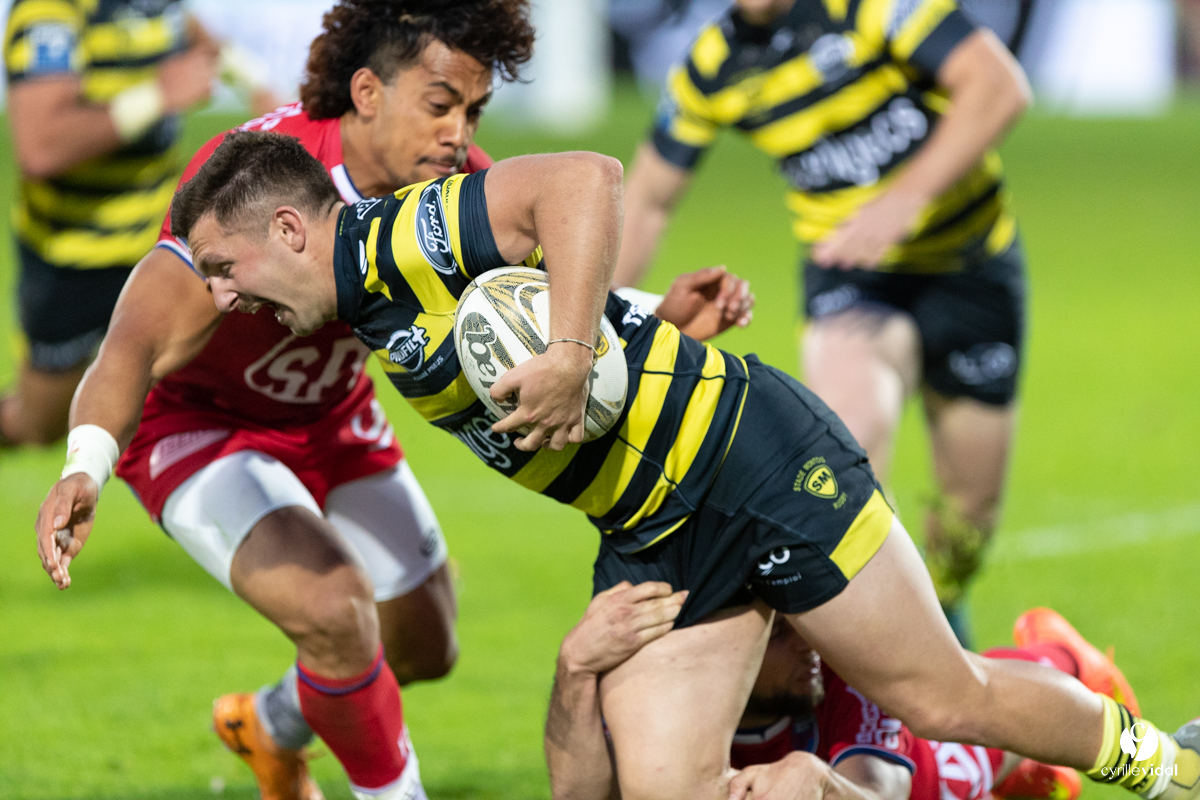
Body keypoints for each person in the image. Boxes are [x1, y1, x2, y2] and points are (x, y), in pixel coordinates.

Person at [144, 129, 1200, 800]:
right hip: (654, 530)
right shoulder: (373, 302)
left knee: (943, 696)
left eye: (228, 268)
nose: (224, 296)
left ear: (291, 229)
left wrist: (568, 354)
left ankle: (1172, 765)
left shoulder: (397, 239)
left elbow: (585, 180)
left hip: (755, 461)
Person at [30, 5, 752, 799]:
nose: (458, 134)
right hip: (199, 424)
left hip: (332, 412)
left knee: (425, 644)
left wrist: (655, 312)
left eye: (474, 111)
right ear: (367, 93)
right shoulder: (262, 180)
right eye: (440, 105)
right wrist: (85, 465)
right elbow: (134, 343)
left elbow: (533, 302)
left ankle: (268, 724)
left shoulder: (453, 183)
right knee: (337, 612)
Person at [613, 0, 1035, 644]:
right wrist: (598, 324)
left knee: (969, 513)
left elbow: (998, 86)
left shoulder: (871, 9)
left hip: (970, 270)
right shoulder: (712, 67)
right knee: (846, 462)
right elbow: (648, 197)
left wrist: (903, 200)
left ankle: (944, 609)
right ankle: (881, 667)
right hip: (851, 278)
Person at [545, 584, 1148, 800]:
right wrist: (574, 666)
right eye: (782, 634)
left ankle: (1070, 664)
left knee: (956, 766)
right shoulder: (653, 696)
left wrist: (822, 782)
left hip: (902, 771)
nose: (808, 641)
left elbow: (881, 791)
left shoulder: (838, 666)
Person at [0, 0, 281, 449]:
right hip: (75, 259)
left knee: (215, 384)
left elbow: (193, 32)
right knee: (42, 425)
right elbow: (41, 147)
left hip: (162, 244)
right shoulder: (48, 14)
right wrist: (157, 96)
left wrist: (257, 83)